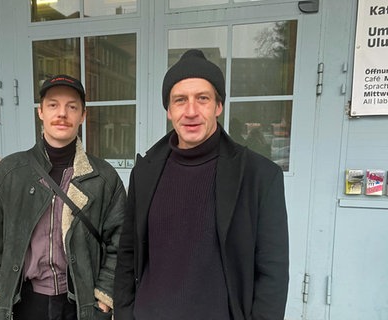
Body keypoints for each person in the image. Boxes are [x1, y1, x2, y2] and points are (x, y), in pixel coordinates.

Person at [114, 49, 289, 320]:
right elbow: (128, 252)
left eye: (203, 99)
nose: (191, 111)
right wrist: (125, 313)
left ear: (218, 106)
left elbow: (273, 272)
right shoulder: (145, 172)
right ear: (169, 110)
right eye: (180, 100)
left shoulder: (259, 176)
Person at [0, 74, 126, 320]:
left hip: (80, 305)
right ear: (40, 112)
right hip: (22, 303)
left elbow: (121, 244)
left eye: (72, 107)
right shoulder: (10, 172)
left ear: (83, 115)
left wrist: (103, 298)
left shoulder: (103, 178)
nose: (62, 113)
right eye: (53, 105)